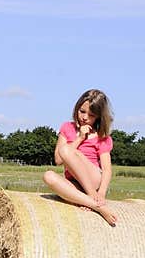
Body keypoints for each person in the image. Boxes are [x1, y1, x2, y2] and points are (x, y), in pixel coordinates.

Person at [43, 89, 117, 226]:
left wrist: (101, 193)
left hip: (93, 180)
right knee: (48, 176)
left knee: (66, 149)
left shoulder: (102, 137)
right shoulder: (67, 128)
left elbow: (107, 169)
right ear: (77, 108)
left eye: (91, 115)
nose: (85, 117)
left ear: (99, 117)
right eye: (82, 111)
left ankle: (92, 197)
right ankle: (93, 205)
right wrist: (80, 138)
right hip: (75, 183)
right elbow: (58, 160)